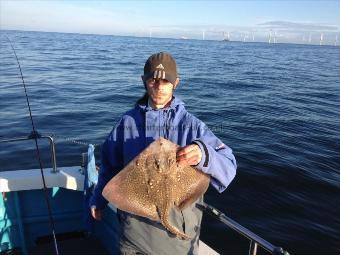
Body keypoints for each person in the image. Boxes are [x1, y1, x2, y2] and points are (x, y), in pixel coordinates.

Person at [90, 52, 237, 255]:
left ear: (175, 83)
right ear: (144, 81)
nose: (159, 87)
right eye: (153, 80)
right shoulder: (127, 123)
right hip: (132, 232)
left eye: (166, 81)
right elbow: (110, 165)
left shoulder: (191, 126)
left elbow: (229, 165)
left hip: (175, 240)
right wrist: (99, 199)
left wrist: (203, 155)